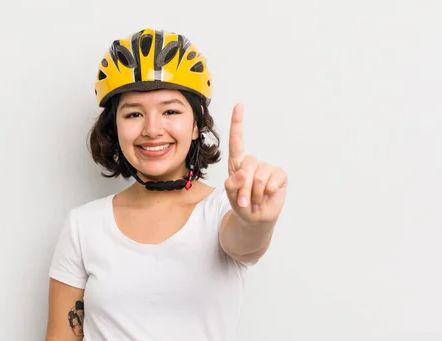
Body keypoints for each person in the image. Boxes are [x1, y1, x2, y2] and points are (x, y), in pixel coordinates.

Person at [45, 28, 288, 341]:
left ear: (196, 124)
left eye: (170, 111)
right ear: (114, 127)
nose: (152, 129)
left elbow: (245, 240)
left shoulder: (222, 212)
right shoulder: (83, 225)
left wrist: (257, 220)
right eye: (133, 114)